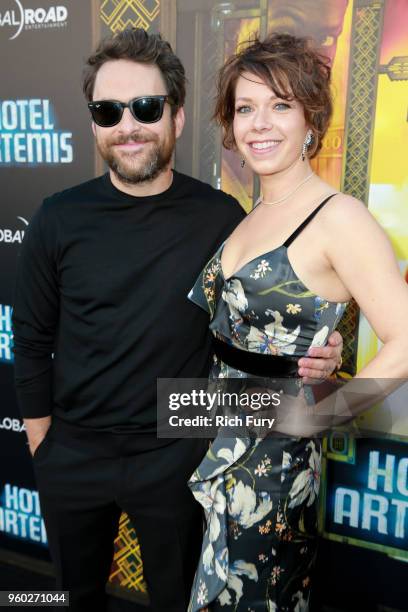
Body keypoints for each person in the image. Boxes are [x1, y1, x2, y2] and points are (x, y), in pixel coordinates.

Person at [12, 28, 343, 612]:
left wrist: (322, 345)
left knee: (177, 600)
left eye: (145, 107)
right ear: (93, 122)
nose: (128, 125)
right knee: (72, 598)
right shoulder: (56, 220)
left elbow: (263, 314)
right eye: (108, 111)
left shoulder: (222, 217)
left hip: (178, 450)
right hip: (74, 456)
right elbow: (32, 339)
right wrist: (45, 448)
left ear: (177, 118)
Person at [187, 33, 408, 611]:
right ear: (230, 126)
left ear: (312, 119)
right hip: (221, 432)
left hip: (274, 469)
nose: (260, 123)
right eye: (245, 108)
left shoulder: (340, 218)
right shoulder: (252, 212)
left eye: (280, 104)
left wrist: (320, 415)